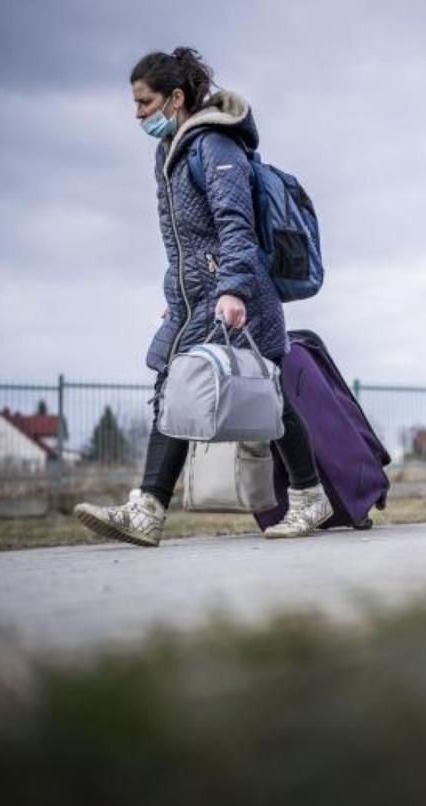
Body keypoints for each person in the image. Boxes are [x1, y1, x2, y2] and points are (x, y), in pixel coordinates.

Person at [75, 48, 332, 546]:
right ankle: (151, 508)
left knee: (265, 397)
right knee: (184, 391)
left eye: (144, 103)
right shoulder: (169, 152)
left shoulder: (214, 146)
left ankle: (306, 497)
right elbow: (184, 245)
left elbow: (234, 227)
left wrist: (233, 289)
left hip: (238, 295)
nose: (137, 114)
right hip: (198, 299)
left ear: (175, 97)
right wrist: (177, 296)